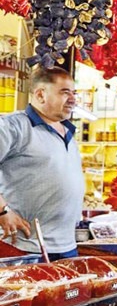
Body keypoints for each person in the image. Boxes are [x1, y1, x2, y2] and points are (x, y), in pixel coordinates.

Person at [0, 67, 84, 260]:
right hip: (23, 246)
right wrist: (3, 211)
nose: (73, 99)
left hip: (66, 246)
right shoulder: (14, 126)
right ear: (40, 95)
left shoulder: (68, 131)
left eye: (74, 93)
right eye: (64, 92)